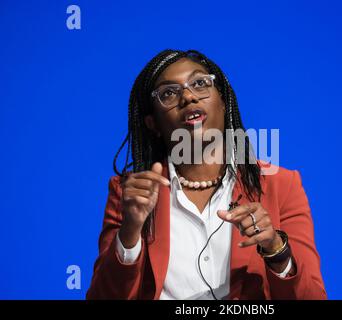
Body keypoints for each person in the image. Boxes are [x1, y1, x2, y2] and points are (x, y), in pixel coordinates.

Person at [86, 49, 326, 300]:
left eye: (200, 83)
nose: (188, 96)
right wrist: (130, 231)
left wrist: (276, 250)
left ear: (223, 102)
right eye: (169, 92)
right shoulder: (132, 194)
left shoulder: (281, 185)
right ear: (152, 124)